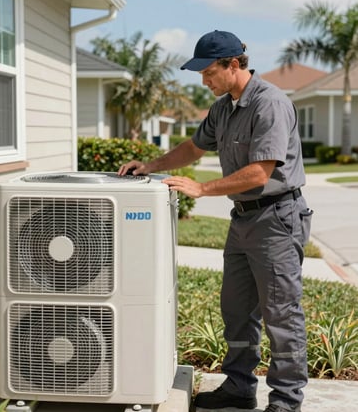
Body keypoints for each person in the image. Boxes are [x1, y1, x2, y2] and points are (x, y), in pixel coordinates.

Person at [118, 30, 313, 412]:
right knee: (237, 310)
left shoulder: (268, 103)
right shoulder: (224, 107)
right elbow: (194, 146)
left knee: (281, 314)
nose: (204, 81)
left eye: (208, 73)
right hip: (243, 221)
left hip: (277, 219)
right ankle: (240, 387)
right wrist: (151, 166)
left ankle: (287, 401)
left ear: (234, 64)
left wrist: (201, 189)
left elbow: (260, 172)